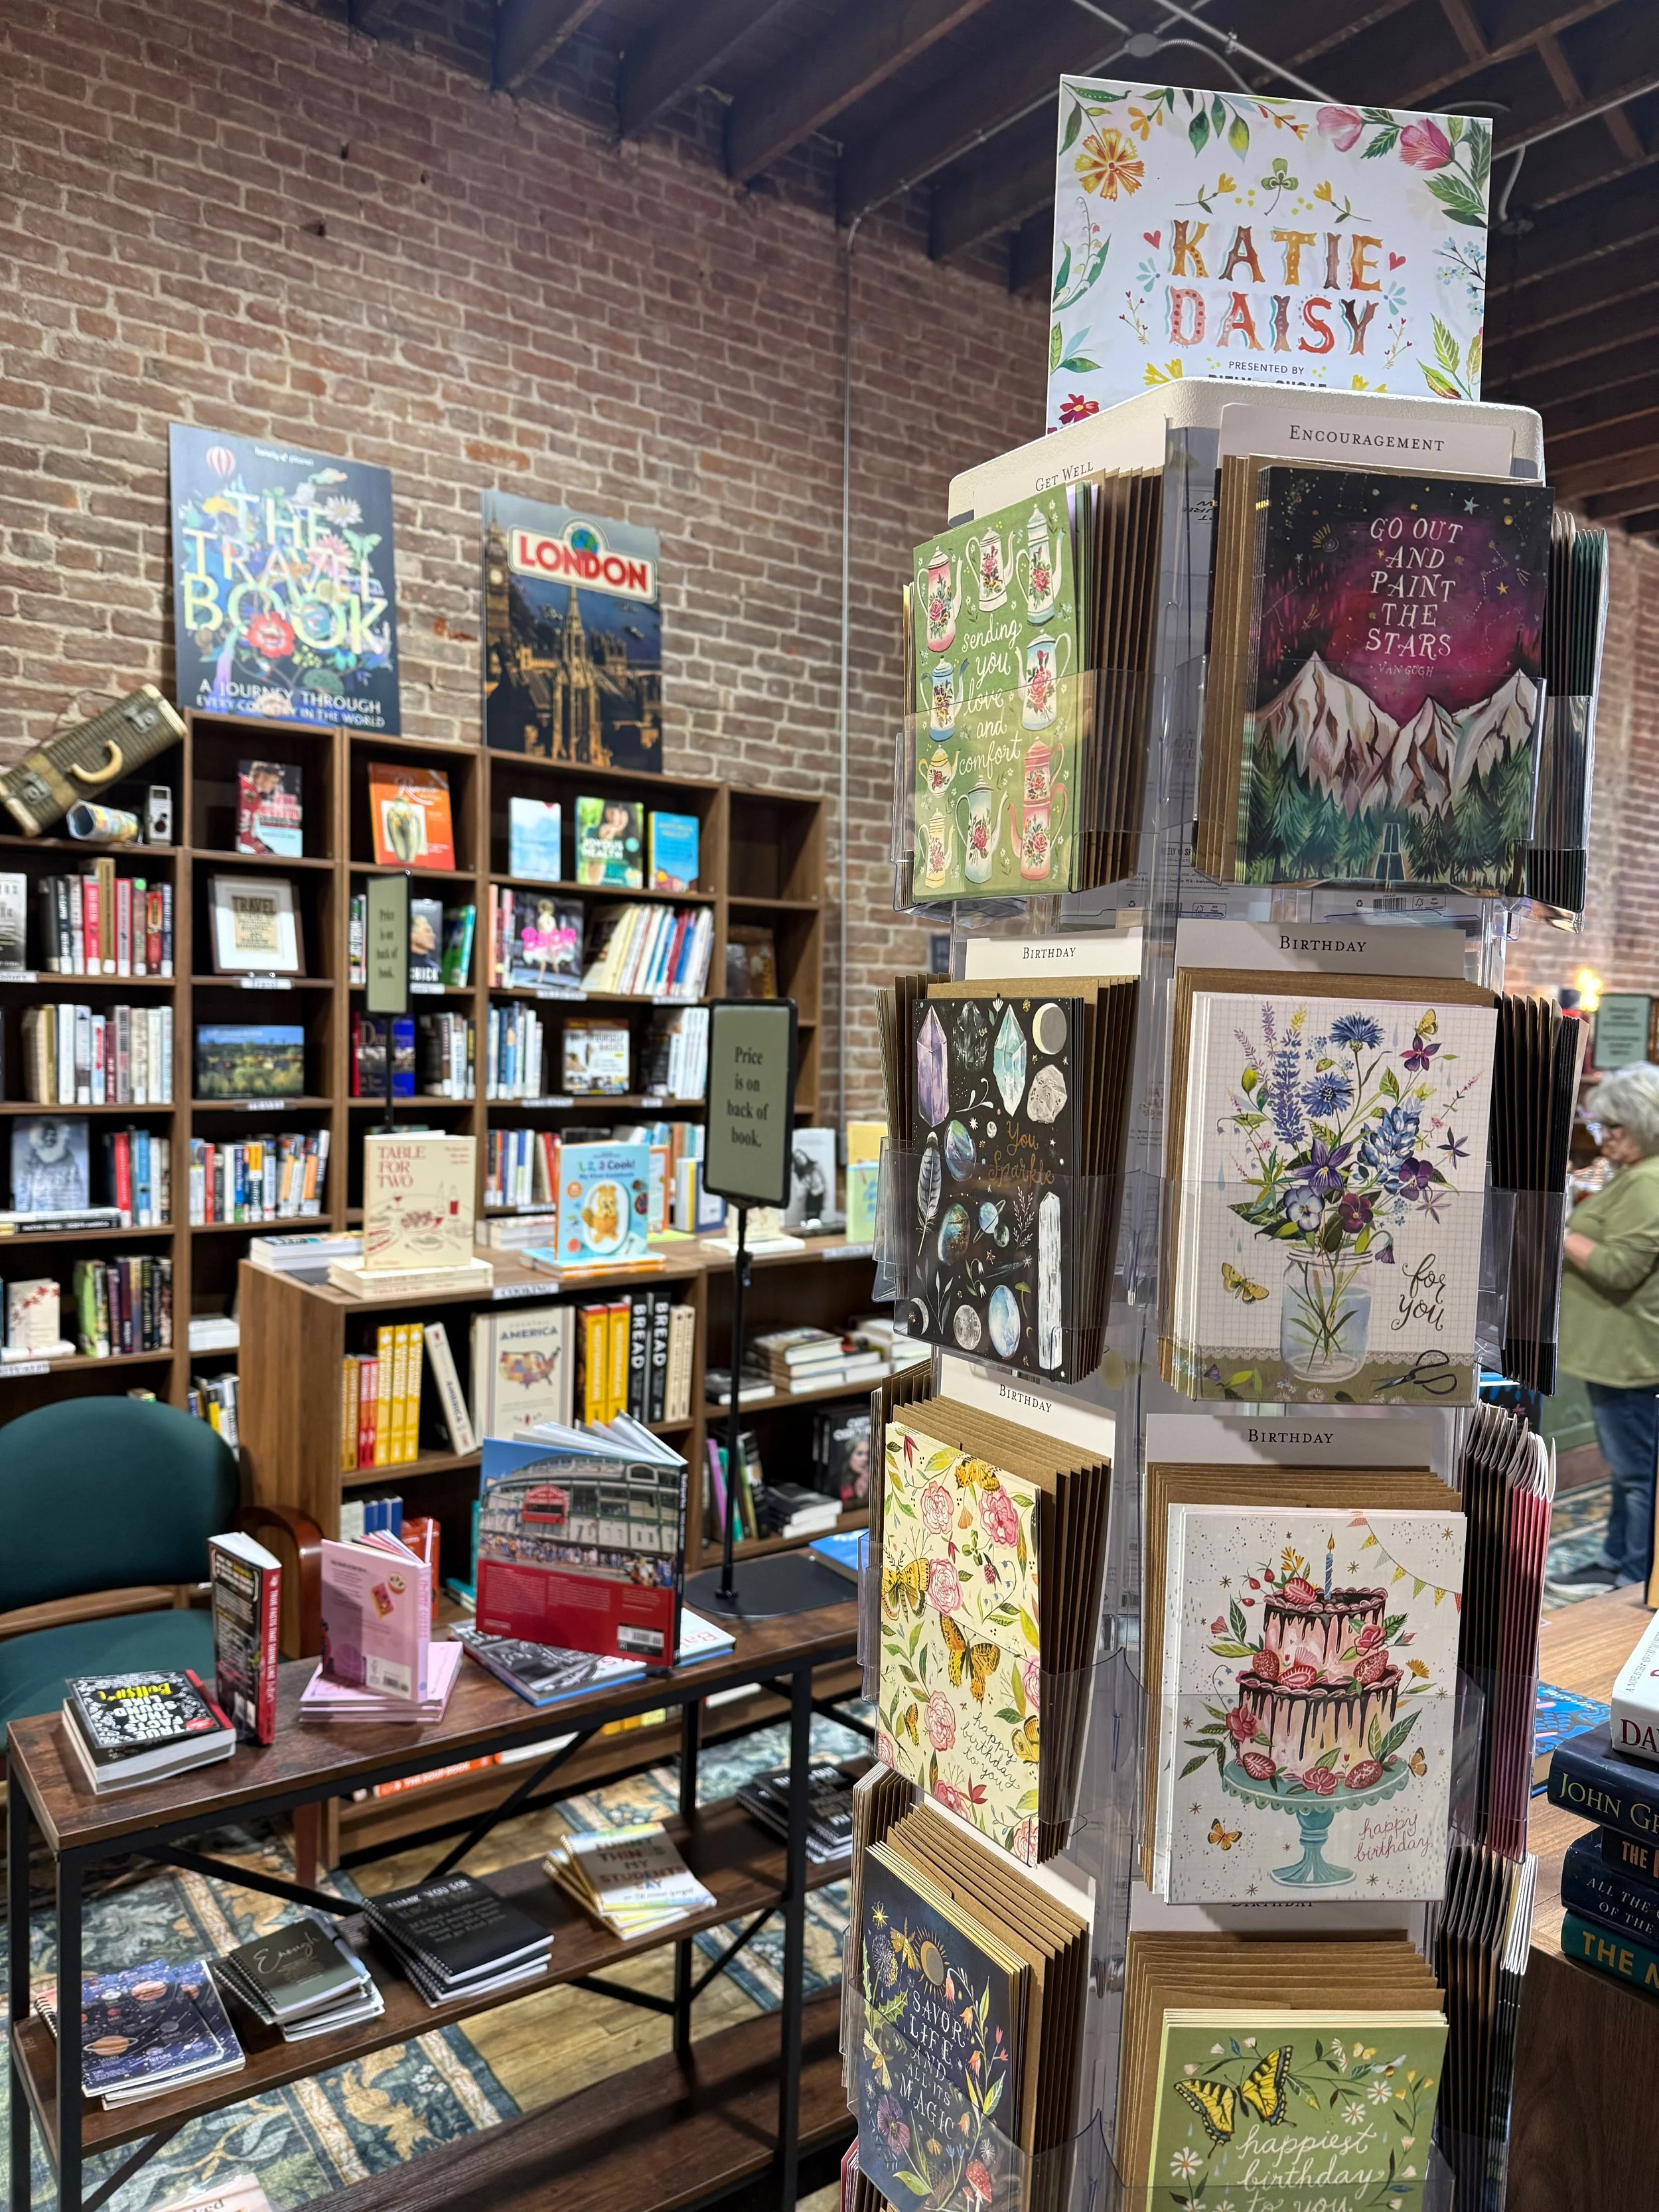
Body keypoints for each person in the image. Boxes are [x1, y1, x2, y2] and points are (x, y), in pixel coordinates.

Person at [1552, 1061, 1659, 1594]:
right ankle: (1617, 1556)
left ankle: (1636, 1573)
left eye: (1613, 1126)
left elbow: (1620, 1268)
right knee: (1626, 1469)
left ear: (1643, 1123)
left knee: (1638, 1474)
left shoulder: (1648, 1182)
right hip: (1614, 1350)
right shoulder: (1633, 1176)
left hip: (1628, 1352)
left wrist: (1557, 1232)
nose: (1604, 1137)